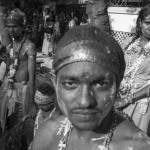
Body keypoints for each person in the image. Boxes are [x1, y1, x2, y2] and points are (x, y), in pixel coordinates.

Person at [31, 25, 150, 150]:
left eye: (100, 84)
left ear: (118, 84)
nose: (85, 101)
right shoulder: (47, 134)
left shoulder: (138, 146)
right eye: (71, 84)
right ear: (55, 82)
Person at [0, 9, 36, 137]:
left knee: (21, 125)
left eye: (15, 26)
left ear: (22, 27)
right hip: (8, 87)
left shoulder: (29, 47)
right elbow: (9, 69)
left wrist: (31, 102)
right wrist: (3, 88)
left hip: (23, 90)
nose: (11, 30)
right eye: (8, 27)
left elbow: (32, 78)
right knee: (8, 122)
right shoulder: (10, 46)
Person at [115, 4, 150, 135]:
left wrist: (127, 100)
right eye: (147, 22)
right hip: (118, 97)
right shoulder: (129, 41)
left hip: (139, 103)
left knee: (133, 141)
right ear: (140, 22)